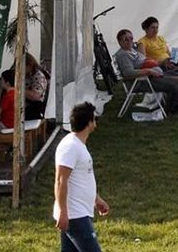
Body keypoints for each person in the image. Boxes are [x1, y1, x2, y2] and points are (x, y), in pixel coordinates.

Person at [55, 103, 109, 252]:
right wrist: (63, 211)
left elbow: (81, 179)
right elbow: (61, 180)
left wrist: (96, 199)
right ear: (89, 123)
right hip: (75, 215)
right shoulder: (70, 147)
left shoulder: (78, 145)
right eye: (94, 119)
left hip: (79, 213)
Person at [113, 29, 178, 109]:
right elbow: (128, 73)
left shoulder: (132, 50)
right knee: (177, 85)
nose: (130, 41)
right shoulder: (123, 55)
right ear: (120, 42)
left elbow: (145, 61)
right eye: (126, 40)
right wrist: (149, 71)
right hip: (142, 81)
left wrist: (162, 62)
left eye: (131, 38)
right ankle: (170, 108)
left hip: (154, 74)